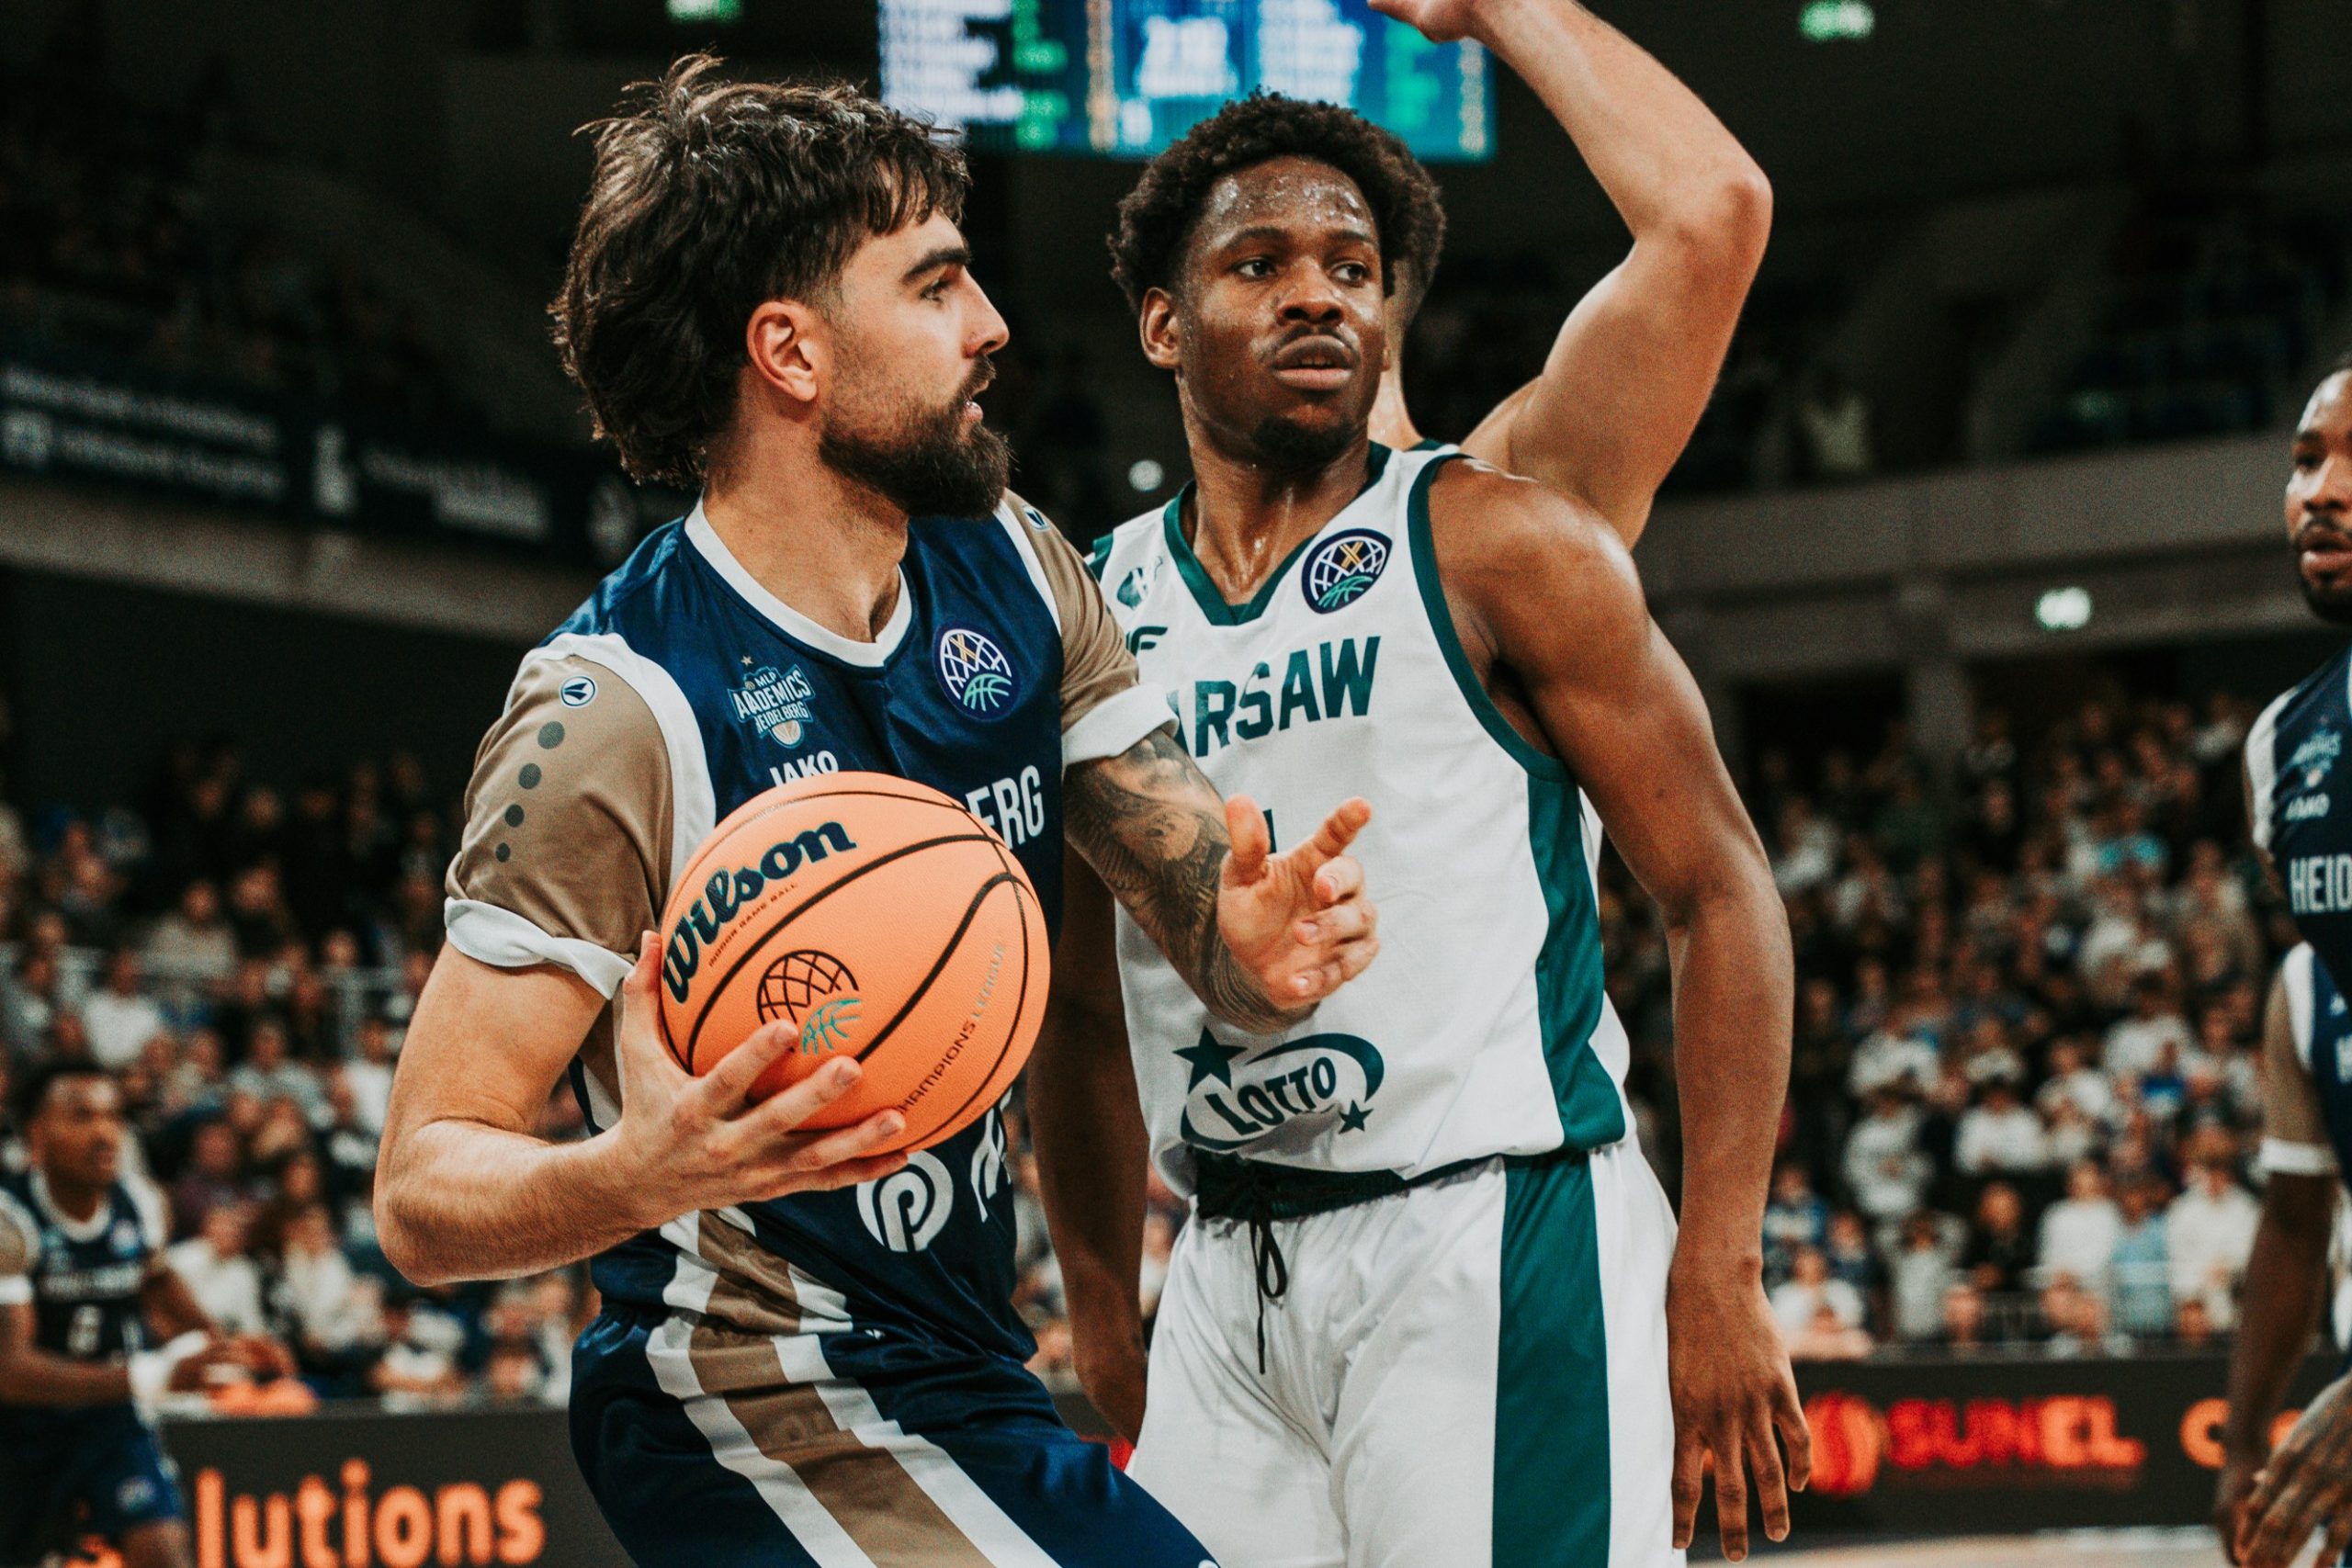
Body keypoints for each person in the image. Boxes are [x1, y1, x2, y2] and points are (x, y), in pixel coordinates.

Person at [371, 62, 1376, 1568]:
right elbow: (422, 1184)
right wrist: (629, 1175)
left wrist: (1252, 941)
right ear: (791, 350)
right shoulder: (617, 711)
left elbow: (1203, 917)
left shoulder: (1016, 563)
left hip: (963, 1368)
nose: (994, 326)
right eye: (936, 284)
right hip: (747, 1400)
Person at [1038, 80, 1799, 1568]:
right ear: (1162, 323)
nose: (1316, 292)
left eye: (1352, 266)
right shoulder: (1090, 612)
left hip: (1492, 1231)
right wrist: (1098, 1294)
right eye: (1259, 262)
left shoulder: (1502, 542)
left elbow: (1720, 890)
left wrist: (1721, 1263)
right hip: (1227, 1263)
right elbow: (1076, 1001)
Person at [2223, 355, 2352, 1568]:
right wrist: (2241, 1445)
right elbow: (2297, 1210)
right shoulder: (2285, 745)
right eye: (2307, 458)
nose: (2323, 490)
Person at [0, 1063, 290, 1568]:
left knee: (165, 1552)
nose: (104, 1133)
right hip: (21, 1430)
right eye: (82, 1116)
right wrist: (153, 1375)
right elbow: (11, 1371)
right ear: (37, 1136)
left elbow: (156, 1279)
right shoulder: (11, 1222)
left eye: (112, 1116)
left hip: (110, 1421)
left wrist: (220, 1341)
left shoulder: (137, 1201)